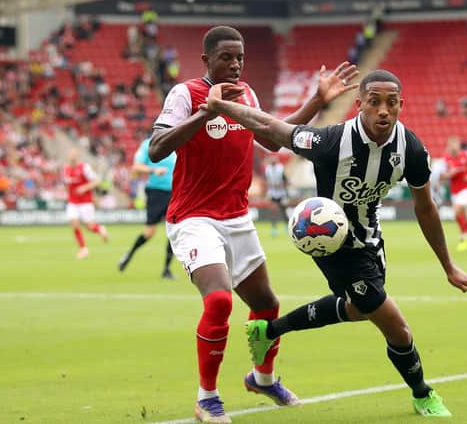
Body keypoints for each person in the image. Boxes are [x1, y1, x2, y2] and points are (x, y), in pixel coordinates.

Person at [203, 69, 467, 419]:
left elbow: (425, 207)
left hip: (370, 239)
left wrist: (448, 266)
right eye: (374, 102)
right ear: (359, 105)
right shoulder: (332, 142)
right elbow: (270, 128)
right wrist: (221, 106)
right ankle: (423, 393)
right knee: (397, 328)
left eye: (392, 103)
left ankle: (269, 330)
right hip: (331, 243)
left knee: (357, 308)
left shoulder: (410, 148)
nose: (383, 110)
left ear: (401, 105)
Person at [147, 25, 359, 423]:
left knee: (266, 304)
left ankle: (262, 378)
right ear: (206, 60)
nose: (235, 64)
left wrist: (317, 99)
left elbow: (275, 139)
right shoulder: (186, 94)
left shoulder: (246, 95)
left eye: (240, 57)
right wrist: (206, 112)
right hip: (194, 218)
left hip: (237, 218)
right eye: (226, 57)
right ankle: (207, 398)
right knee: (220, 300)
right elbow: (158, 148)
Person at [118, 136, 176, 279]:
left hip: (176, 192)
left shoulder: (177, 140)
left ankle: (166, 269)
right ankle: (129, 254)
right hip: (156, 193)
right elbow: (136, 167)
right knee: (149, 232)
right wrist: (153, 170)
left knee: (174, 231)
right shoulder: (148, 144)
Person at [62, 148, 108, 259]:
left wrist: (85, 187)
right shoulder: (66, 169)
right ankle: (83, 249)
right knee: (75, 224)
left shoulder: (84, 167)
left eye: (73, 154)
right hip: (72, 202)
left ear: (77, 156)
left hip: (85, 202)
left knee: (89, 226)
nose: (72, 156)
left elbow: (97, 181)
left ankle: (100, 229)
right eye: (70, 154)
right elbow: (67, 184)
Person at [441, 137, 467, 256]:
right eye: (450, 145)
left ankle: (464, 236)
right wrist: (450, 173)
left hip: (466, 189)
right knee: (461, 215)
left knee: (457, 210)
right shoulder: (446, 159)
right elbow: (442, 176)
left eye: (454, 145)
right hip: (454, 191)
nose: (452, 147)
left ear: (458, 145)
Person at [263, 155, 289, 237]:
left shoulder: (280, 168)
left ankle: (287, 227)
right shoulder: (268, 170)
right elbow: (266, 180)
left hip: (281, 192)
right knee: (273, 210)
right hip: (272, 192)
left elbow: (285, 180)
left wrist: (281, 185)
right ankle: (274, 228)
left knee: (283, 211)